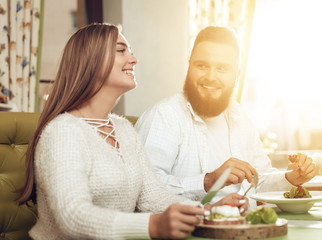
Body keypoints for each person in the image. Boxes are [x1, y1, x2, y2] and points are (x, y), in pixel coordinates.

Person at [16, 23, 248, 240]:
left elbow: (152, 197)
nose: (134, 59)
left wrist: (205, 211)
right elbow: (72, 216)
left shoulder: (123, 129)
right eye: (121, 50)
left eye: (131, 51)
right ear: (90, 61)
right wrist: (152, 226)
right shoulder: (62, 132)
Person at [135, 26, 316, 210]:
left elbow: (258, 181)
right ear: (189, 66)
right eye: (202, 65)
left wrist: (289, 178)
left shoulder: (241, 119)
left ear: (237, 76)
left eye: (222, 68)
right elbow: (144, 191)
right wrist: (208, 181)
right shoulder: (164, 116)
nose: (211, 77)